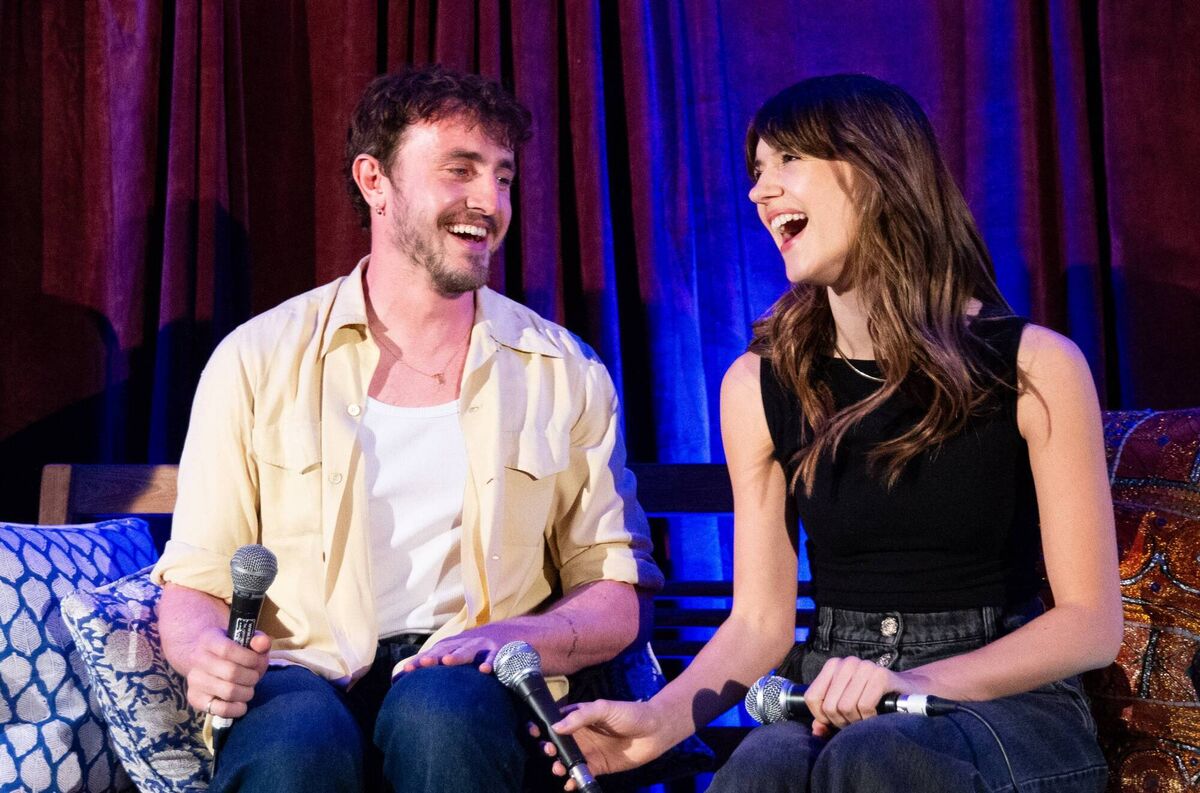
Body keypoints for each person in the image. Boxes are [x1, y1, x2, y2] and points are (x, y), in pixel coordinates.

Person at [548, 74, 1121, 792]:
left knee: (874, 757)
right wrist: (654, 726)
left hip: (1000, 697)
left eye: (788, 161)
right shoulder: (758, 384)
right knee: (762, 767)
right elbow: (760, 620)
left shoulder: (1035, 365)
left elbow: (1090, 623)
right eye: (756, 170)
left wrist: (902, 680)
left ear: (879, 172)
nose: (760, 191)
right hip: (828, 684)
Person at [151, 64, 662, 793]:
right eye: (460, 170)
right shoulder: (256, 359)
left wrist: (517, 637)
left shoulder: (562, 370)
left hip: (468, 676)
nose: (489, 202)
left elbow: (615, 590)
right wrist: (205, 652)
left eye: (505, 178)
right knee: (297, 743)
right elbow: (196, 579)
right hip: (301, 674)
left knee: (440, 715)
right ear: (374, 181)